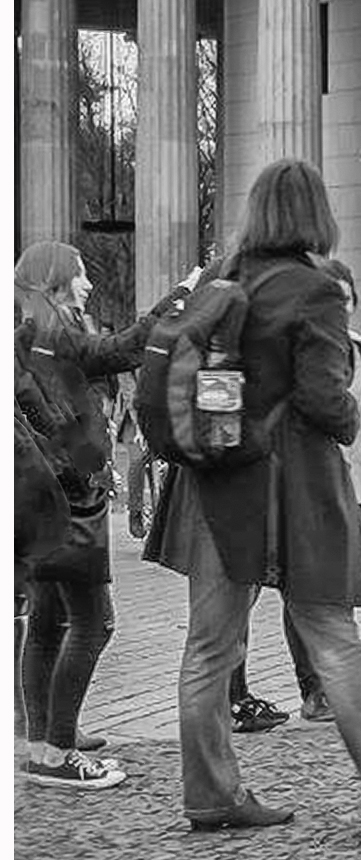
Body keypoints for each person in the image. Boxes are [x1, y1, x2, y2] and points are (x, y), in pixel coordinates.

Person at [142, 158, 361, 832]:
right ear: (317, 214)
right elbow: (324, 399)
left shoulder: (219, 277)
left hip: (215, 483)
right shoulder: (314, 288)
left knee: (209, 648)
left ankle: (210, 793)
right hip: (293, 489)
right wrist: (352, 415)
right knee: (332, 636)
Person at [14, 241, 183, 788]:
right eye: (80, 274)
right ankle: (58, 752)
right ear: (55, 281)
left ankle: (44, 741)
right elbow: (121, 350)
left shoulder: (30, 331)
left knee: (47, 621)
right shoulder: (53, 333)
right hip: (70, 501)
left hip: (44, 498)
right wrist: (177, 300)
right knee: (94, 623)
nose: (88, 284)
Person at [223, 258, 361, 727]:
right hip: (285, 479)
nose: (339, 309)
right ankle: (235, 695)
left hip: (345, 478)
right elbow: (328, 405)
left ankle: (315, 690)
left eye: (345, 300)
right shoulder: (293, 341)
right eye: (332, 300)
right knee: (246, 598)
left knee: (320, 591)